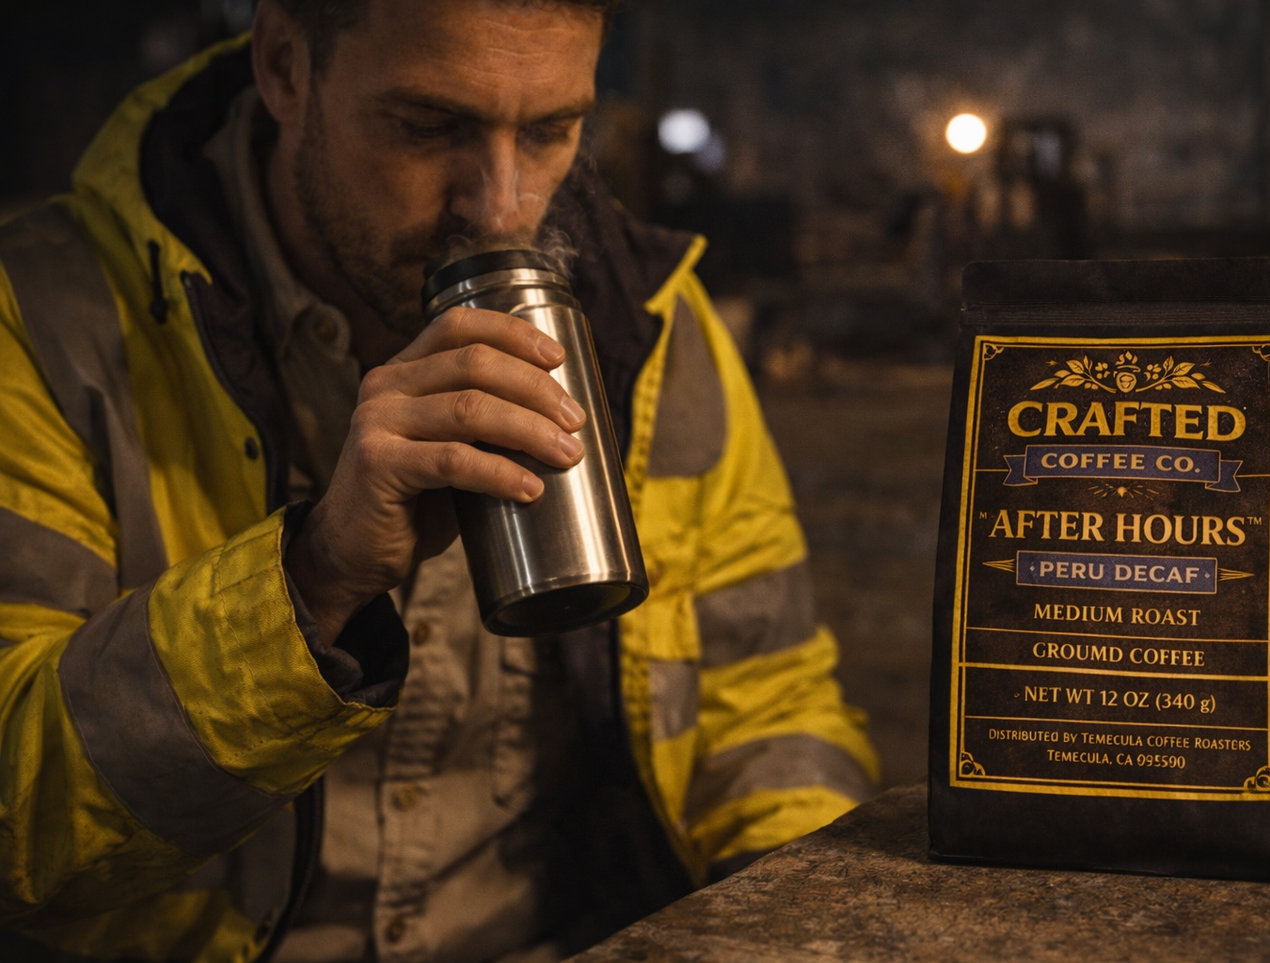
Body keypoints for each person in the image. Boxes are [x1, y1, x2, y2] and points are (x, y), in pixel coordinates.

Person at [0, 1, 878, 960]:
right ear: (287, 67)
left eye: (549, 131)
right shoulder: (42, 325)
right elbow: (17, 820)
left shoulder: (652, 325)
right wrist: (314, 579)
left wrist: (800, 927)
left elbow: (768, 708)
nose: (500, 206)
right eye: (428, 127)